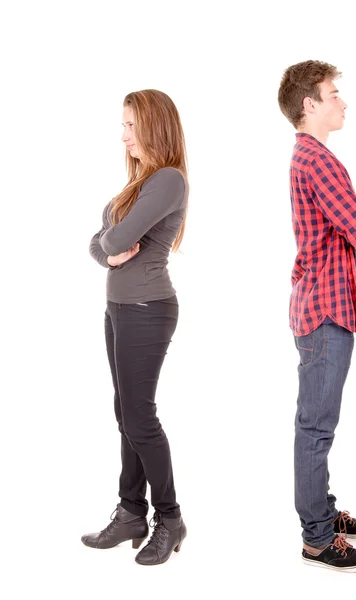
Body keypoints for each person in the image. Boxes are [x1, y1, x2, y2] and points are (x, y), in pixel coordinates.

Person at [278, 61, 356, 573]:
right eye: (333, 94)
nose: (342, 102)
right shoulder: (317, 161)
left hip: (324, 306)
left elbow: (353, 217)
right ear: (310, 105)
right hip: (325, 312)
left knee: (317, 424)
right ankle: (318, 539)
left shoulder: (316, 158)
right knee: (315, 427)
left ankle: (323, 514)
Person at [83, 89, 189, 566]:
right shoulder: (140, 183)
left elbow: (114, 238)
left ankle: (170, 519)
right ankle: (130, 512)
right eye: (123, 125)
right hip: (120, 308)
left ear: (153, 127)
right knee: (125, 412)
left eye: (130, 125)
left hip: (147, 307)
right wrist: (107, 248)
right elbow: (97, 244)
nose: (123, 134)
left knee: (140, 417)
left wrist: (108, 245)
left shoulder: (167, 180)